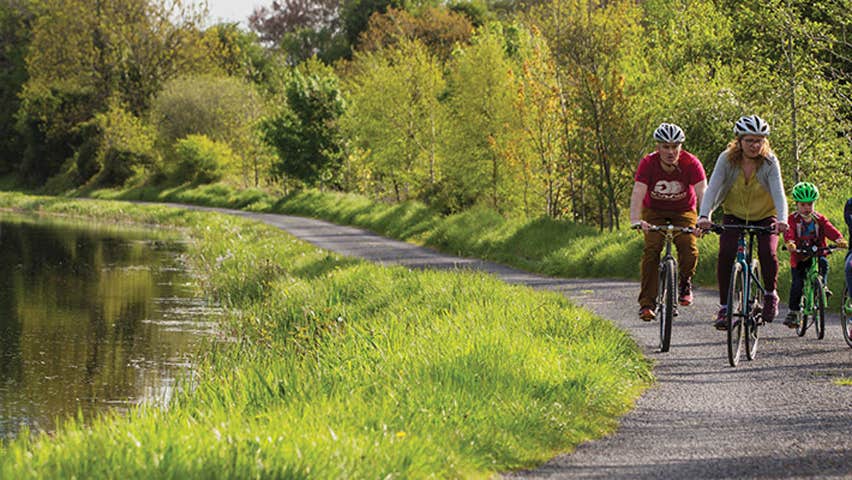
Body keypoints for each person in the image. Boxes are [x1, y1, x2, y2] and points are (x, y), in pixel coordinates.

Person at [696, 115, 788, 329]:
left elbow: (779, 192)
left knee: (768, 252)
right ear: (739, 141)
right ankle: (725, 307)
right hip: (734, 214)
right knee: (726, 253)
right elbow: (712, 189)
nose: (755, 145)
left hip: (766, 216)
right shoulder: (727, 159)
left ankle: (770, 293)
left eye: (759, 140)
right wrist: (704, 216)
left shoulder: (770, 162)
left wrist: (782, 220)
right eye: (750, 141)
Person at [629, 122, 707, 321]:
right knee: (652, 249)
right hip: (654, 211)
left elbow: (702, 192)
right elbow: (638, 191)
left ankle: (684, 281)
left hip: (684, 211)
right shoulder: (648, 163)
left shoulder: (691, 163)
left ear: (681, 146)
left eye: (675, 146)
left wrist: (704, 219)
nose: (671, 151)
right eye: (665, 146)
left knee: (688, 248)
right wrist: (636, 219)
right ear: (658, 147)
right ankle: (647, 304)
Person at [781, 182, 847, 328]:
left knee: (824, 265)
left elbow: (829, 229)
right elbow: (789, 231)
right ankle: (793, 312)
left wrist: (839, 239)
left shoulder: (819, 218)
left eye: (810, 204)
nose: (806, 208)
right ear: (797, 204)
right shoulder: (793, 219)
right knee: (797, 284)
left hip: (817, 253)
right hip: (800, 256)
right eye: (803, 205)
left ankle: (823, 287)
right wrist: (790, 243)